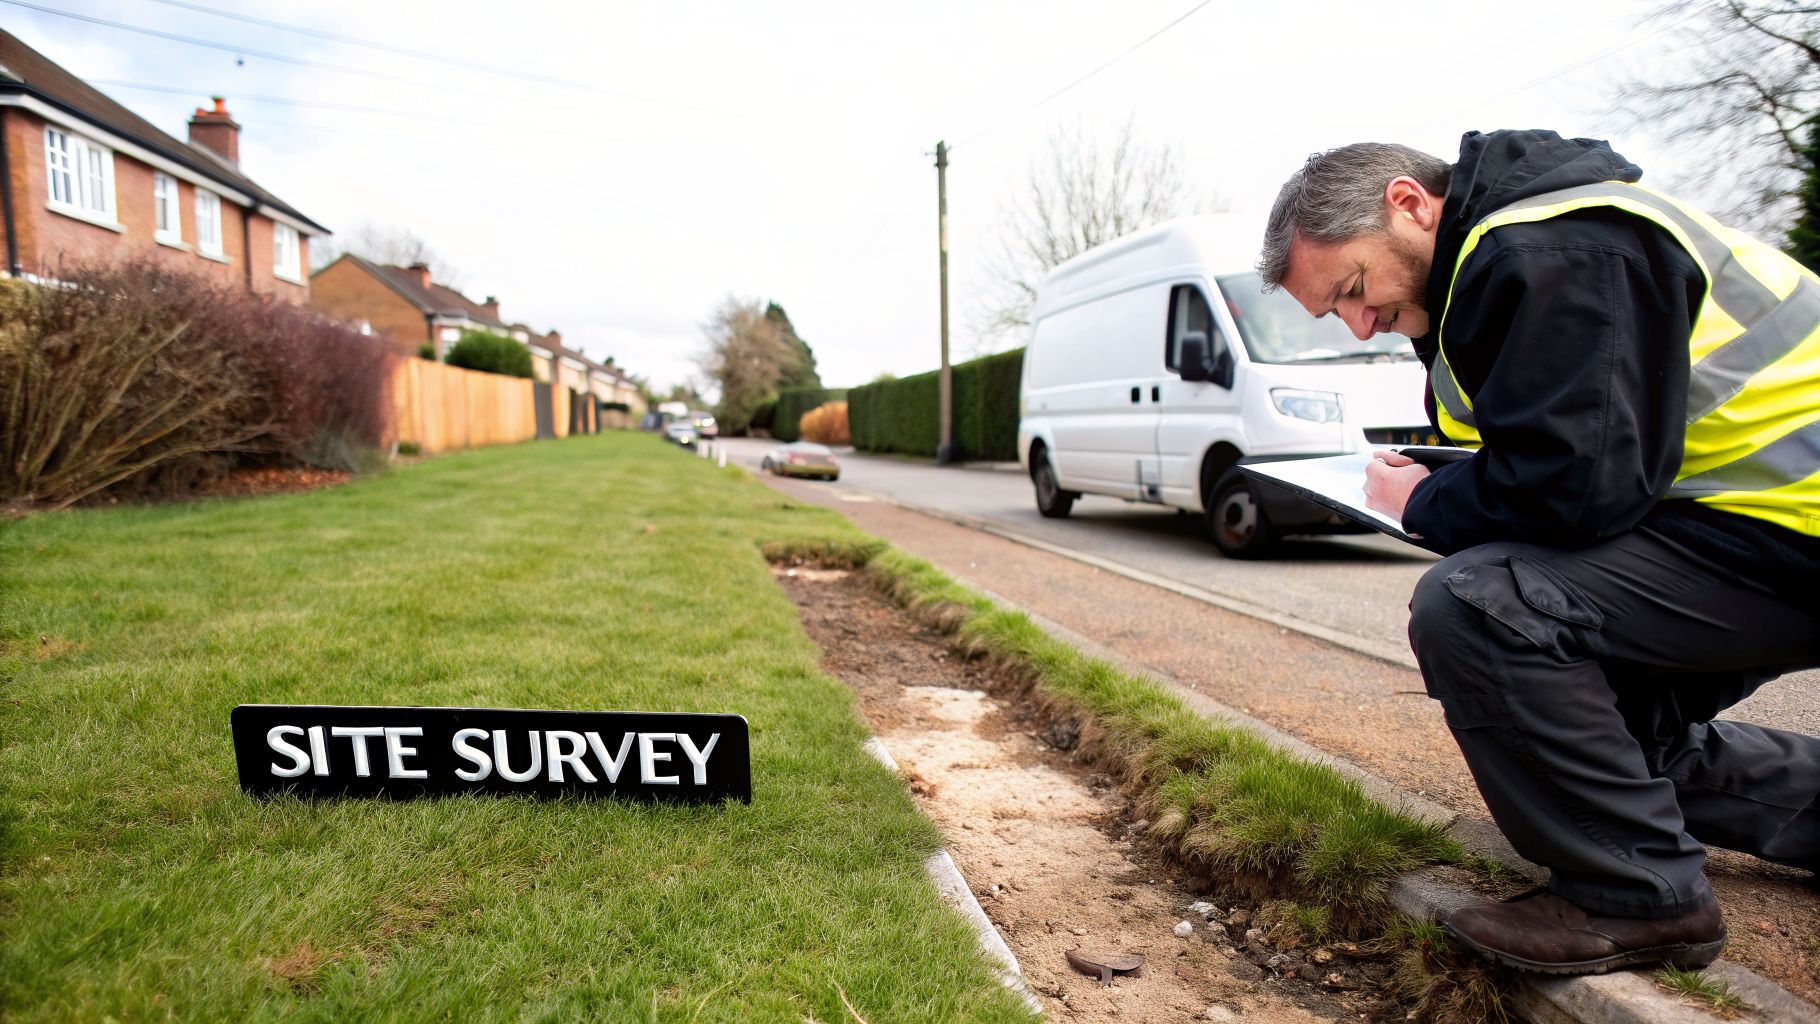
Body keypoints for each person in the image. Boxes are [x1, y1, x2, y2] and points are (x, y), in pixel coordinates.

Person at [1257, 129, 1820, 975]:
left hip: (1788, 528)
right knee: (1595, 745)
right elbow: (1582, 447)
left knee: (1482, 607)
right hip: (1757, 520)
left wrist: (1428, 502)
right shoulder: (1510, 256)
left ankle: (1637, 898)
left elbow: (1578, 491)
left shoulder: (1553, 245)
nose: (1360, 323)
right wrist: (1448, 478)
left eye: (1350, 288)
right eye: (1334, 312)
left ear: (1408, 205)